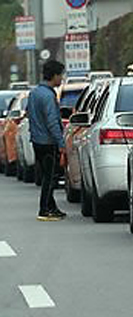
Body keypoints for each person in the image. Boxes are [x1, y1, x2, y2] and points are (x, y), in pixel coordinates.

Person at [27, 60, 67, 221]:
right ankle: (44, 209)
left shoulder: (34, 93)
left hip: (37, 140)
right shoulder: (49, 96)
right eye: (61, 76)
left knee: (46, 175)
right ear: (54, 75)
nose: (61, 79)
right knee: (50, 178)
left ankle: (52, 207)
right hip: (48, 142)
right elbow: (52, 122)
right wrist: (61, 143)